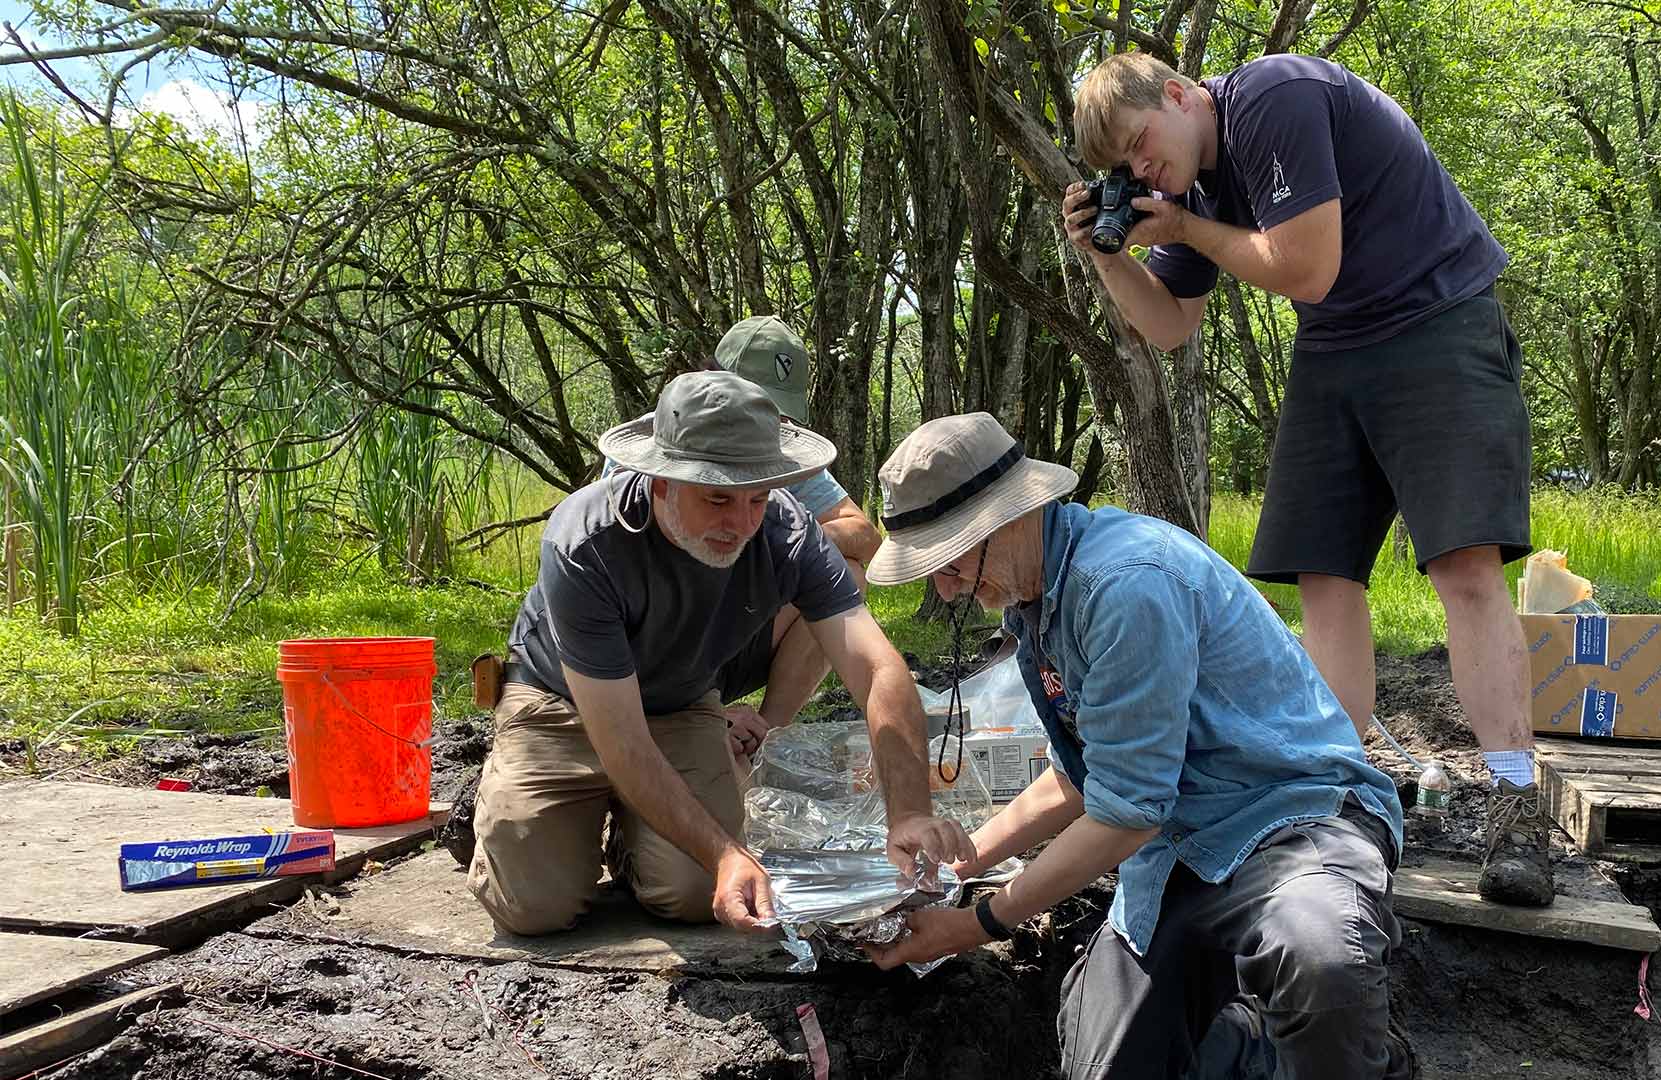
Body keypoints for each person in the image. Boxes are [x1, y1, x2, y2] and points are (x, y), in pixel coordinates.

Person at [1061, 50, 1553, 906]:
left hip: (1436, 315)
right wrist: (1108, 257)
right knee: (1324, 576)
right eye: (1126, 168)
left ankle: (1515, 804)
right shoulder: (1192, 194)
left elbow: (1306, 265)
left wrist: (1178, 229)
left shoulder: (1272, 97)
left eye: (1142, 145)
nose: (1142, 172)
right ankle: (1339, 794)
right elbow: (1169, 326)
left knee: (1463, 569)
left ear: (1179, 94)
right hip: (1336, 345)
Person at [863, 413, 1412, 1079]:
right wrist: (964, 863)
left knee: (1324, 957)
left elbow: (1128, 809)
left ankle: (1360, 1058)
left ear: (1008, 518)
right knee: (1110, 1064)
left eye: (948, 560)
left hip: (1290, 819)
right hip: (1180, 851)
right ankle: (1251, 1044)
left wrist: (979, 922)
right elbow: (1086, 777)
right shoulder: (1037, 597)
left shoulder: (1125, 584)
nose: (944, 587)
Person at [466, 371, 971, 935]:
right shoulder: (587, 542)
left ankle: (635, 847)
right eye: (717, 499)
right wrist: (727, 852)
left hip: (680, 705)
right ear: (659, 481)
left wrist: (908, 811)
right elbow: (623, 740)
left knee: (692, 894)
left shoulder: (787, 533)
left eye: (757, 498)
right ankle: (507, 817)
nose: (741, 524)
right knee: (534, 908)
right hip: (560, 705)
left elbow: (878, 670)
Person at [602, 316, 883, 765]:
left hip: (732, 634)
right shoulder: (663, 445)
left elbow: (863, 535)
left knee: (844, 573)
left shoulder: (779, 449)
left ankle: (764, 735)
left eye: (777, 414)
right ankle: (691, 719)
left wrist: (774, 544)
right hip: (651, 653)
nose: (764, 426)